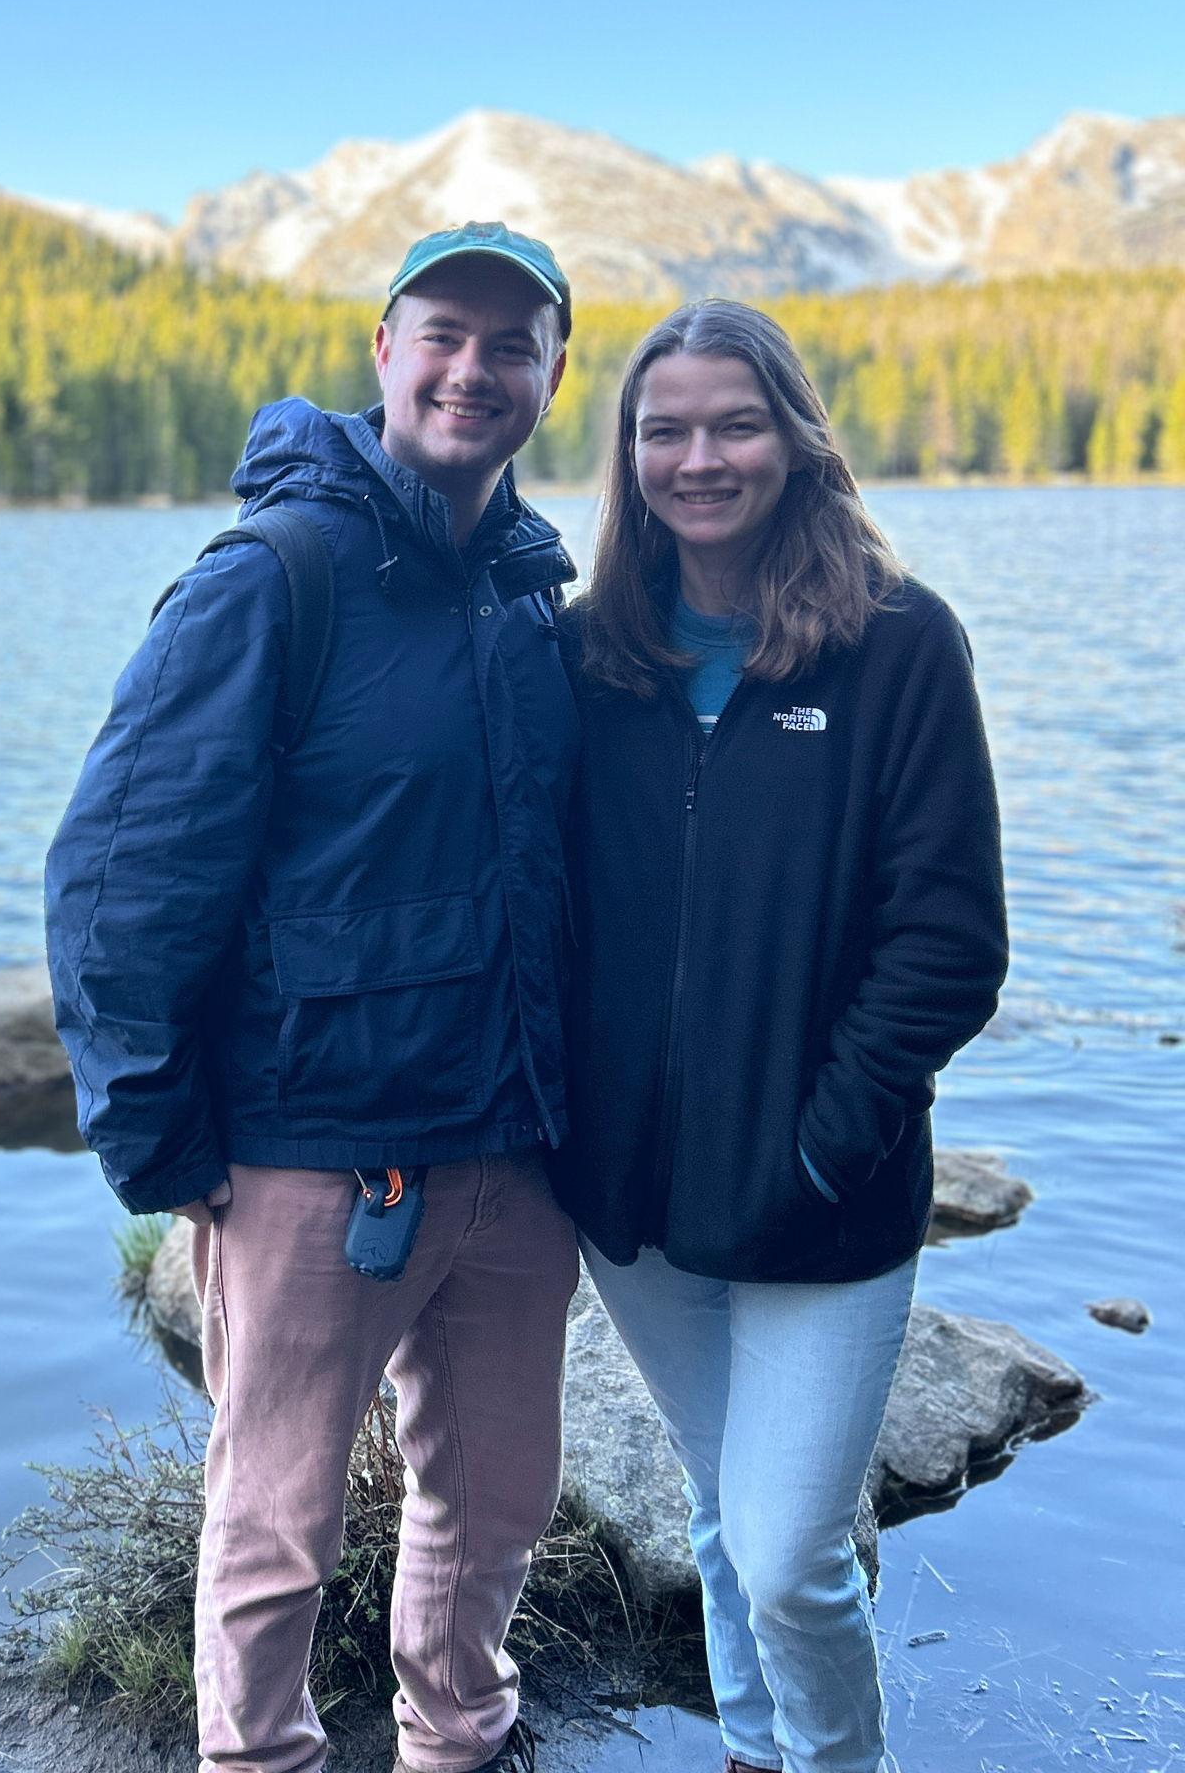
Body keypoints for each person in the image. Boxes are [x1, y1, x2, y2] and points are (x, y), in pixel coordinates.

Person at [45, 223, 584, 1773]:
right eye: (444, 334)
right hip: (314, 1159)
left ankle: (457, 1736)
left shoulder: (528, 595)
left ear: (552, 375)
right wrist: (158, 1137)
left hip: (511, 1149)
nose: (473, 369)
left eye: (512, 344)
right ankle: (257, 1756)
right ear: (384, 352)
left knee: (496, 1500)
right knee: (276, 1524)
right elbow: (119, 873)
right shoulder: (275, 576)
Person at [553, 299, 1008, 1773]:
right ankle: (755, 1750)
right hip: (636, 1209)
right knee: (716, 1501)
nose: (701, 459)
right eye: (665, 430)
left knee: (792, 1551)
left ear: (797, 440)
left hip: (825, 1202)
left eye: (736, 424)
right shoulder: (589, 654)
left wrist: (822, 1147)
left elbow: (949, 946)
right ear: (629, 456)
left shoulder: (898, 645)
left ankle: (832, 1760)